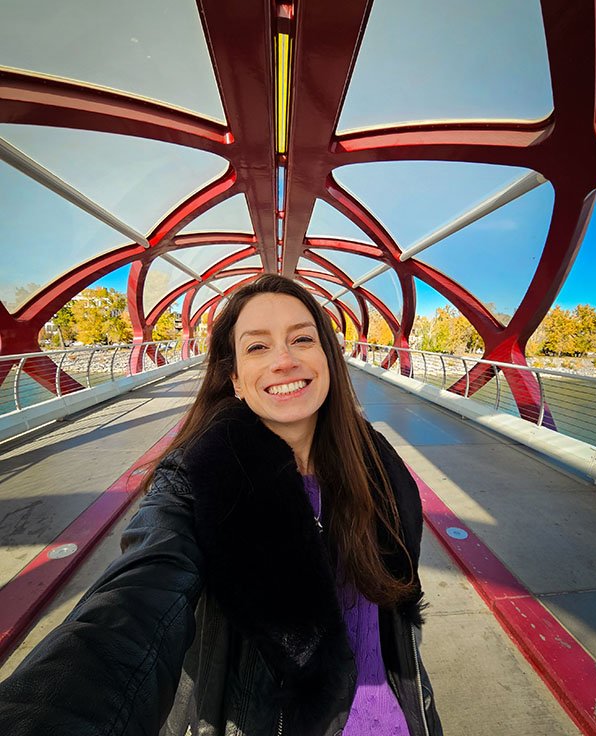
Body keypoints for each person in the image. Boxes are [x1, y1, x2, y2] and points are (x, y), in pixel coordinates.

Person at [0, 273, 443, 736]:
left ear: (329, 356)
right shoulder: (197, 479)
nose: (285, 360)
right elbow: (138, 598)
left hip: (398, 719)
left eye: (302, 339)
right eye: (257, 347)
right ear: (234, 379)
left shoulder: (377, 468)